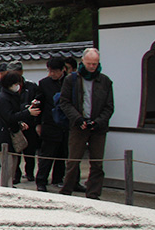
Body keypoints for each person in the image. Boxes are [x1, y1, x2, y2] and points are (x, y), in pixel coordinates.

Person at [59, 48, 114, 200]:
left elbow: (109, 106)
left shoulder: (105, 81)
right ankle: (66, 191)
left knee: (97, 162)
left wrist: (98, 122)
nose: (92, 67)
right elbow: (64, 102)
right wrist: (78, 119)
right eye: (89, 63)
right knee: (73, 161)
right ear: (82, 61)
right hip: (78, 125)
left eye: (95, 64)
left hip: (98, 127)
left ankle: (93, 193)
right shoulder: (72, 79)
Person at [35, 57, 69, 191]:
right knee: (47, 154)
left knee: (63, 154)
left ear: (62, 70)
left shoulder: (70, 82)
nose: (52, 74)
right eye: (50, 71)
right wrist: (38, 123)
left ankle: (58, 179)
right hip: (49, 122)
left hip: (66, 124)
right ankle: (41, 180)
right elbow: (39, 103)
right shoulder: (44, 83)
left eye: (55, 71)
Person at [0, 72, 41, 158]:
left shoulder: (10, 95)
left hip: (10, 133)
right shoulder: (3, 98)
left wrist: (19, 122)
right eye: (16, 84)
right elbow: (9, 116)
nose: (18, 86)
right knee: (7, 165)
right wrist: (27, 113)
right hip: (4, 135)